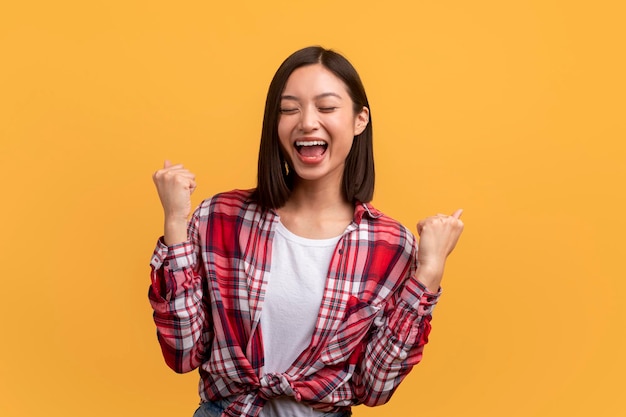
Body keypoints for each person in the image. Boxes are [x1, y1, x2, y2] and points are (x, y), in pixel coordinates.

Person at [149, 46, 464, 417]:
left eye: (327, 107)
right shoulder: (221, 217)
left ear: (360, 119)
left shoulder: (389, 246)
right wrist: (175, 225)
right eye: (288, 109)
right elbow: (183, 353)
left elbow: (375, 387)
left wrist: (428, 273)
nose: (307, 122)